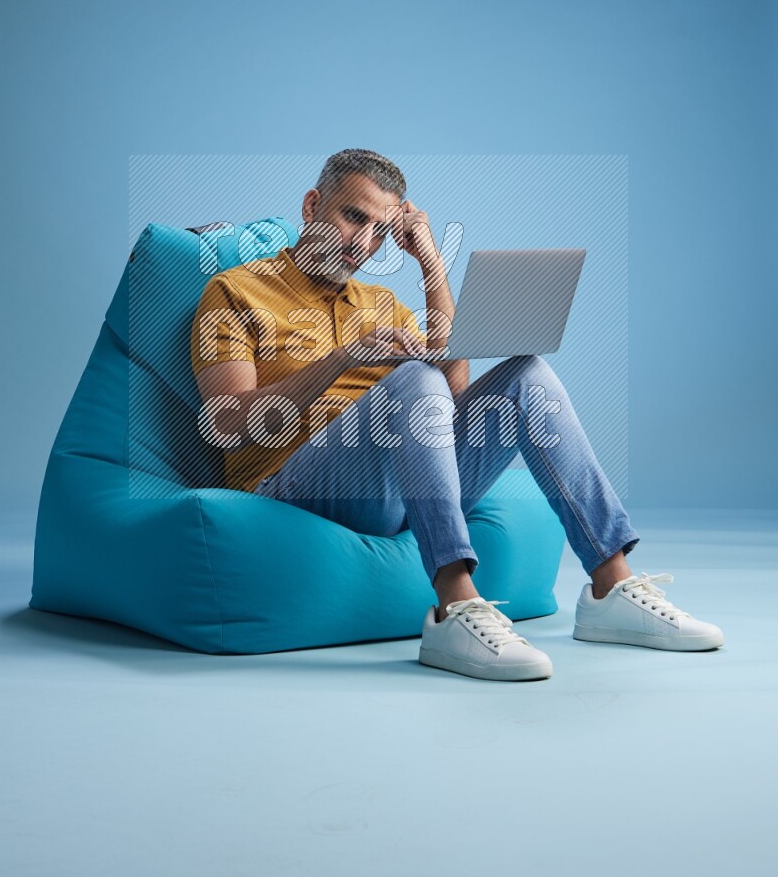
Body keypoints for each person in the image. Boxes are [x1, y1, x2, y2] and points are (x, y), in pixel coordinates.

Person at [190, 149, 724, 681]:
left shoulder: (378, 301)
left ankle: (611, 584)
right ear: (312, 206)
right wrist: (343, 358)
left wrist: (429, 262)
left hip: (398, 484)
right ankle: (454, 607)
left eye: (379, 231)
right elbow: (228, 426)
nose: (362, 243)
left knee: (525, 375)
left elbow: (454, 389)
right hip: (292, 488)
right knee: (415, 379)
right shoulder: (235, 291)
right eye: (353, 216)